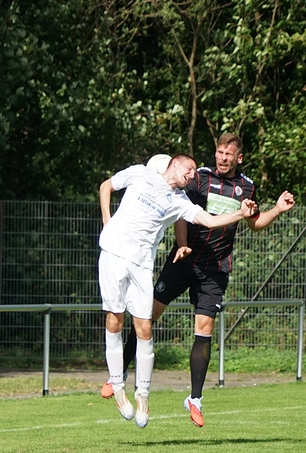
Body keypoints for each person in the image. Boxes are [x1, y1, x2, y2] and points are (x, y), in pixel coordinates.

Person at [109, 135, 296, 427]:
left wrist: (277, 209)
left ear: (239, 158)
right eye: (219, 152)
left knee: (204, 328)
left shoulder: (246, 186)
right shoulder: (200, 178)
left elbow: (254, 223)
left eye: (228, 154)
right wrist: (183, 244)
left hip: (215, 269)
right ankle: (119, 372)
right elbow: (180, 213)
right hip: (184, 261)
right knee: (147, 315)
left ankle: (194, 399)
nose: (222, 158)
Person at [97, 154, 257, 428]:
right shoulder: (140, 174)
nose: (193, 174)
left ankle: (143, 395)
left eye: (195, 172)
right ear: (173, 164)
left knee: (144, 327)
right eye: (190, 168)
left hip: (141, 264)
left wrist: (241, 214)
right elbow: (106, 186)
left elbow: (208, 220)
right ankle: (118, 387)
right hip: (112, 253)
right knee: (115, 320)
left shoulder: (179, 201)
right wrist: (107, 221)